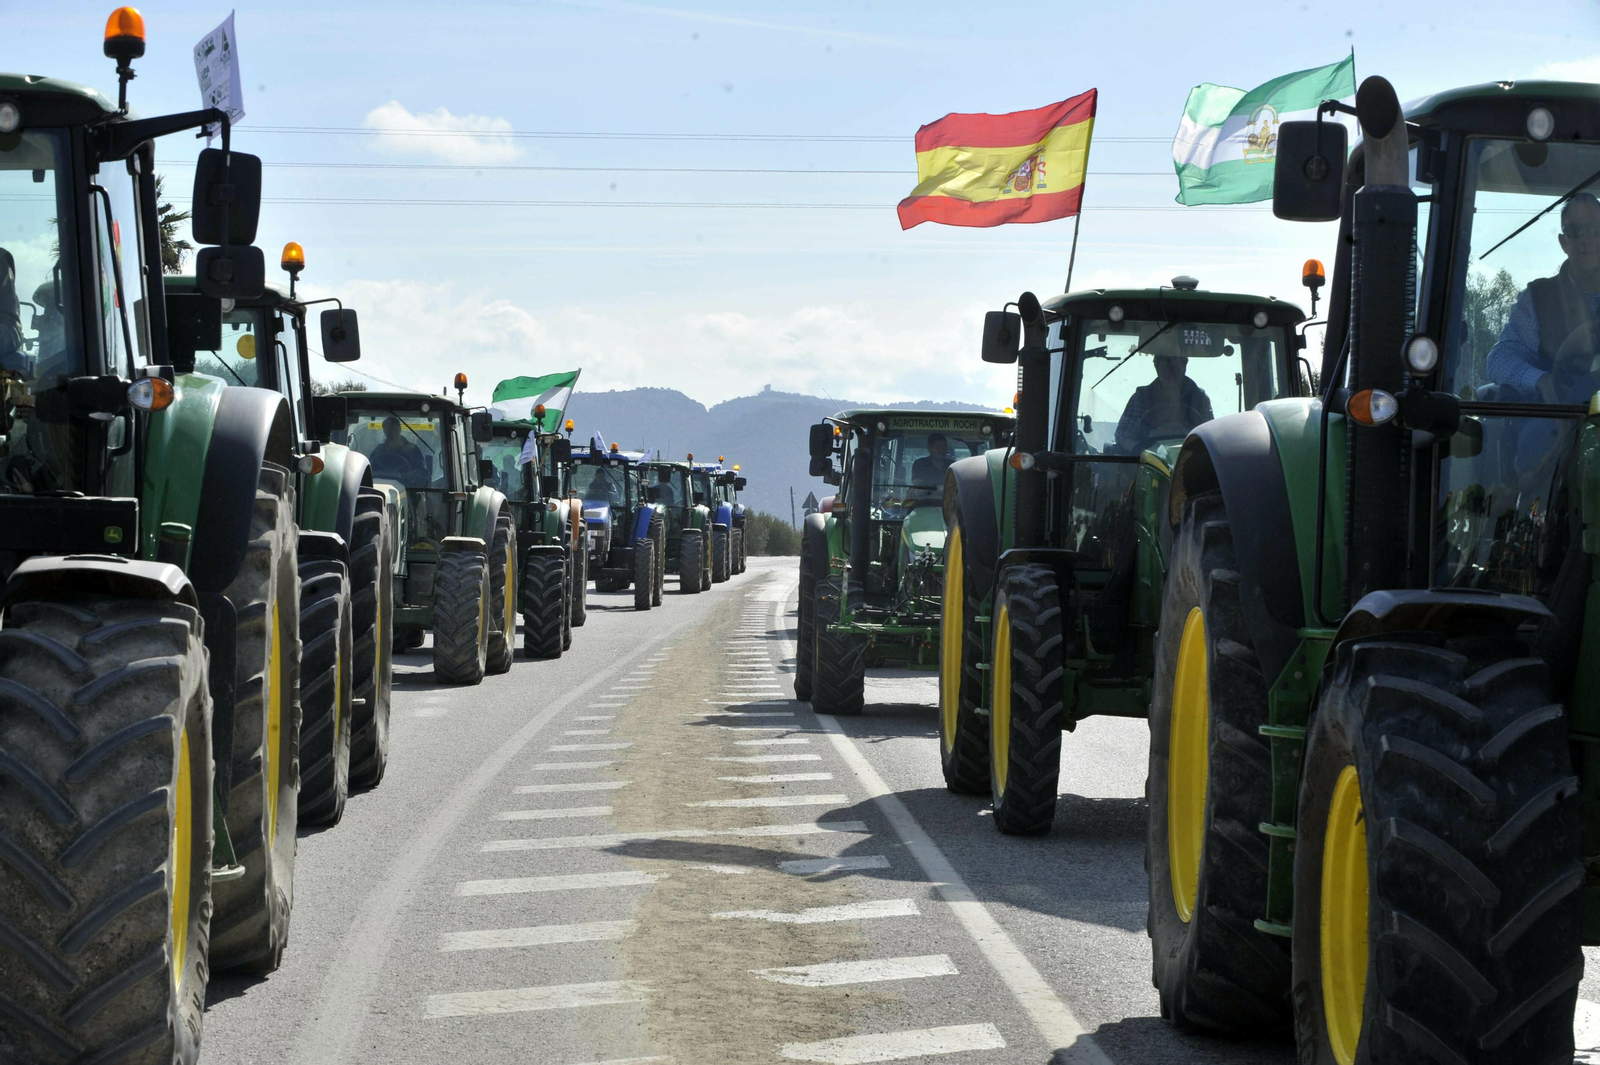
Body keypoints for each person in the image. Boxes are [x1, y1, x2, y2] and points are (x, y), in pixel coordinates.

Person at [1486, 192, 1600, 403]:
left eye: (1596, 230)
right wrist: (1543, 382)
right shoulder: (1537, 298)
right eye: (1575, 231)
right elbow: (1500, 359)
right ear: (1563, 242)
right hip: (1557, 416)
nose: (1587, 239)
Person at [1115, 325, 1217, 453]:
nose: (1170, 368)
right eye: (1166, 361)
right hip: (1149, 461)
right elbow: (1123, 434)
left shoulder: (1200, 398)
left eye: (1175, 362)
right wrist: (1140, 450)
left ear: (1184, 364)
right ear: (1156, 365)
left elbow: (1210, 436)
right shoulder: (1140, 398)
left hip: (1190, 461)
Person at [368, 416, 427, 485]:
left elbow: (422, 475)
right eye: (387, 428)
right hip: (382, 488)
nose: (390, 431)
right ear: (384, 431)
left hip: (408, 488)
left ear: (399, 429)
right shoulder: (378, 451)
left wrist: (411, 476)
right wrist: (402, 475)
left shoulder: (413, 450)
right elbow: (370, 473)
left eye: (393, 428)